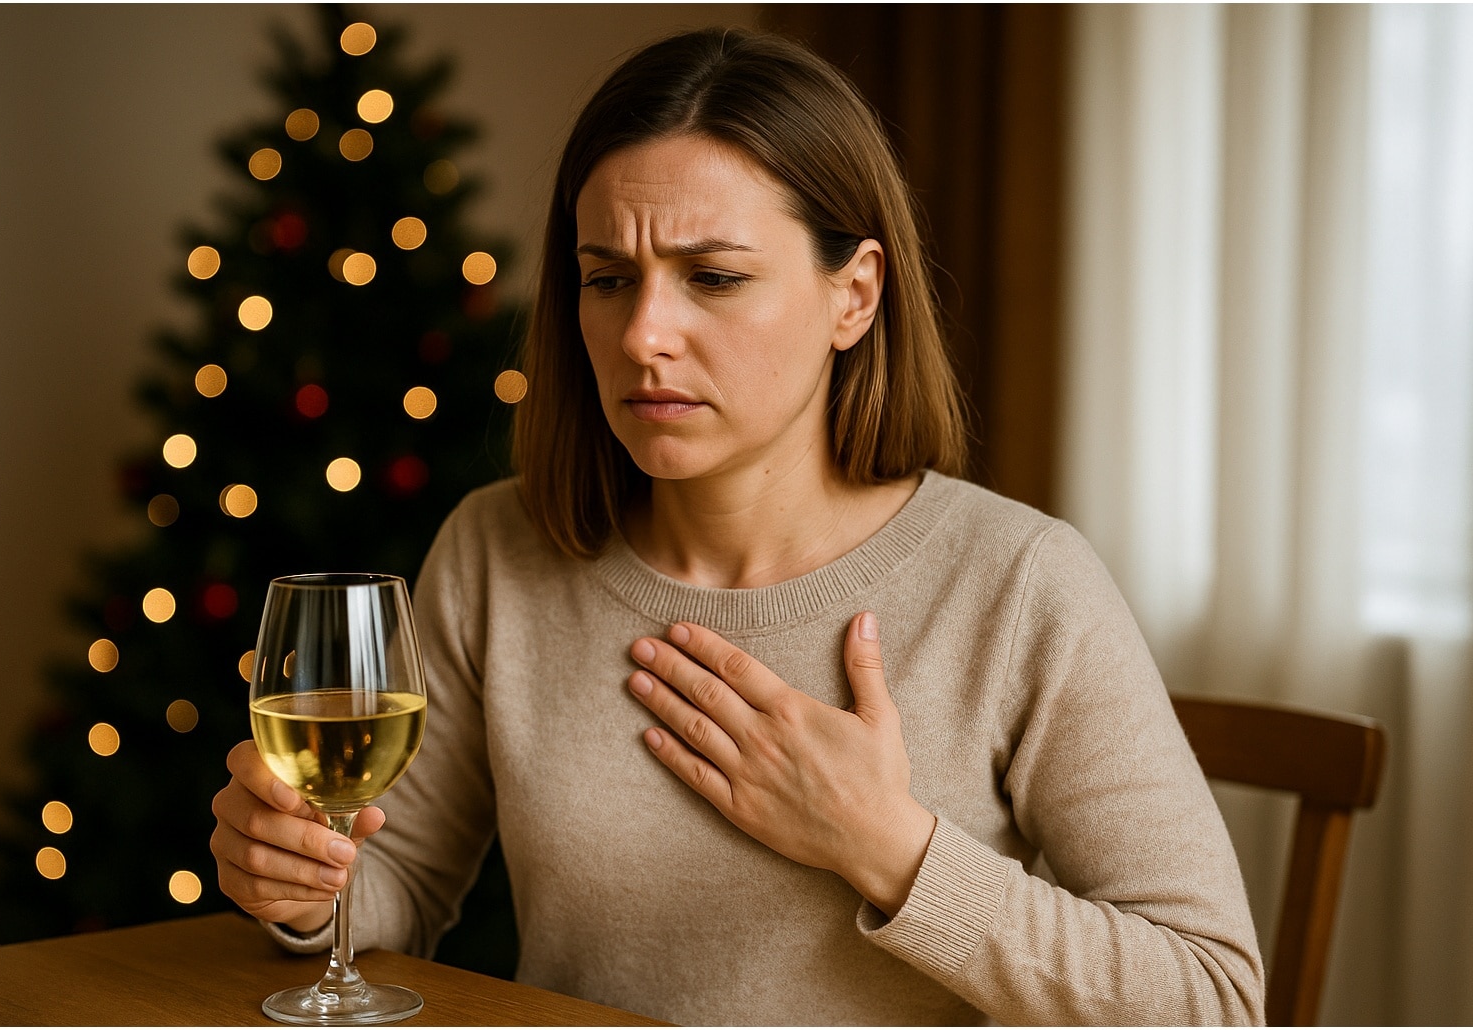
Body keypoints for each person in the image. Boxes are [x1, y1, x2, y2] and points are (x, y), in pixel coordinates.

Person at [212, 27, 1264, 1025]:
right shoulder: (500, 550)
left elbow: (1212, 996)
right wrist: (303, 884)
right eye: (607, 279)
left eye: (713, 277)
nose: (644, 334)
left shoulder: (1021, 582)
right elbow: (396, 878)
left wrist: (889, 846)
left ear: (854, 295)